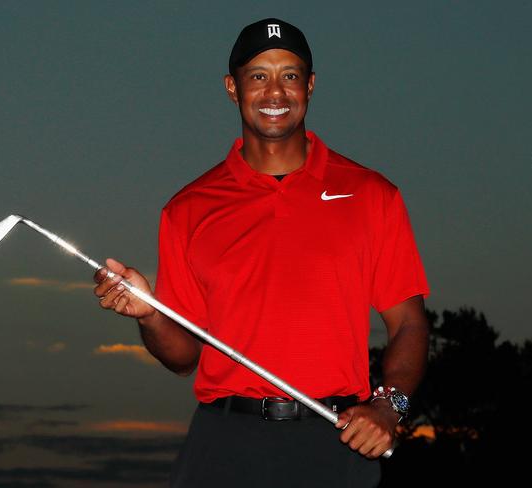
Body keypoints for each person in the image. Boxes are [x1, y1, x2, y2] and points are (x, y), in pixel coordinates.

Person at [94, 18, 430, 488]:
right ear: (233, 88)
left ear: (310, 86)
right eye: (258, 76)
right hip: (225, 441)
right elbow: (183, 355)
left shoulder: (373, 194)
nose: (276, 91)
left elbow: (409, 322)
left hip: (334, 438)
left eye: (290, 75)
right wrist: (149, 315)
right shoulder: (187, 209)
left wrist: (388, 406)